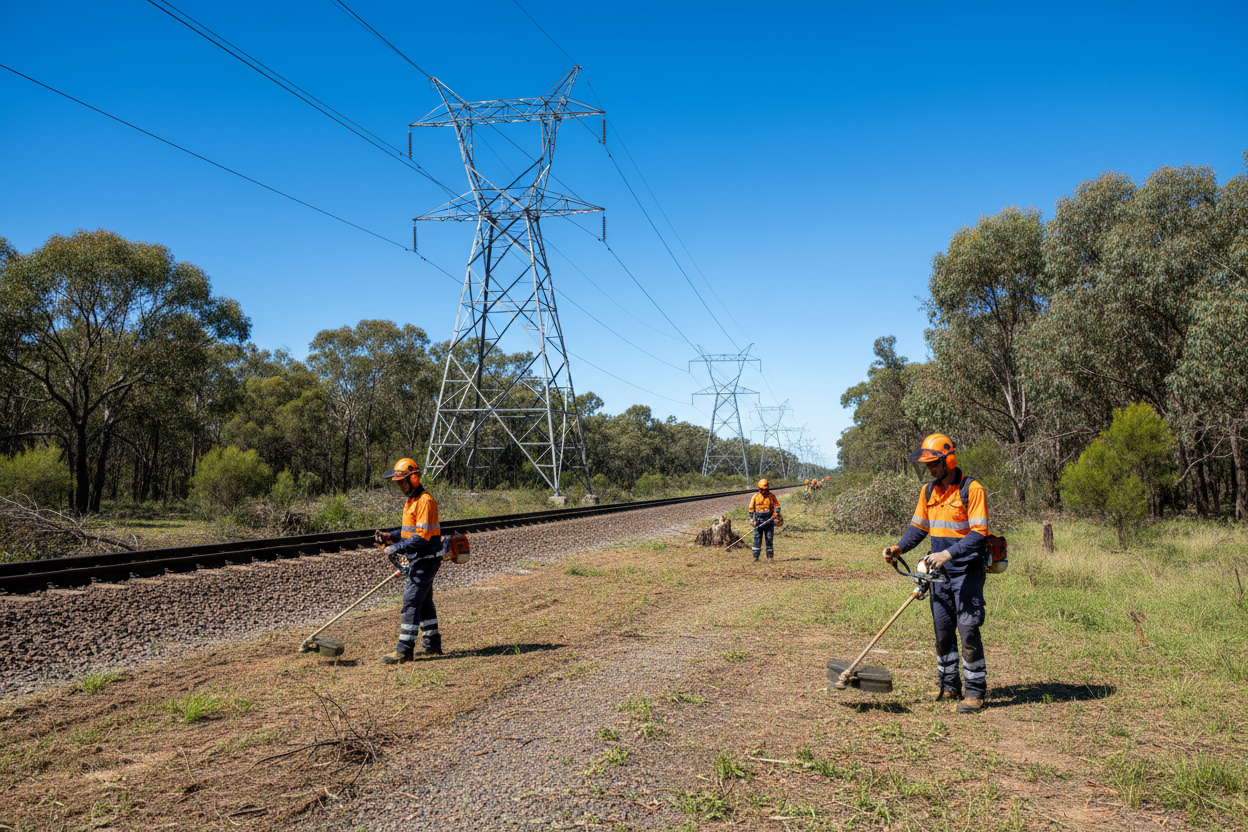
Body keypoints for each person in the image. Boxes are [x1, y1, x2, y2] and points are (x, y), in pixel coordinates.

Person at [883, 434, 989, 714]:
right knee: (942, 630)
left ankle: (975, 691)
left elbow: (980, 533)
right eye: (926, 465)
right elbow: (918, 528)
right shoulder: (928, 492)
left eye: (933, 464)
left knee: (967, 629)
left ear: (949, 460)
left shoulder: (972, 489)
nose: (929, 469)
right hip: (938, 574)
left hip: (966, 570)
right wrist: (898, 548)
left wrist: (947, 554)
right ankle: (949, 684)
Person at [375, 458, 443, 663]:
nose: (401, 486)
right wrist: (391, 537)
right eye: (398, 483)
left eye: (403, 481)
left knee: (411, 601)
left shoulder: (425, 501)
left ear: (414, 478)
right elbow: (408, 532)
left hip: (426, 558)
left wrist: (397, 548)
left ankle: (404, 650)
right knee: (424, 602)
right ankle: (432, 644)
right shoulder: (411, 501)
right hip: (420, 559)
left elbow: (422, 536)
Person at [748, 478, 782, 562]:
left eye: (765, 489)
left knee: (769, 539)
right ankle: (755, 557)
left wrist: (777, 511)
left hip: (769, 520)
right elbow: (751, 509)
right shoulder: (755, 497)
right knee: (757, 538)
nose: (764, 491)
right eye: (762, 489)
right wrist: (752, 519)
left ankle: (770, 558)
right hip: (758, 521)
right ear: (759, 489)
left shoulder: (771, 496)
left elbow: (777, 506)